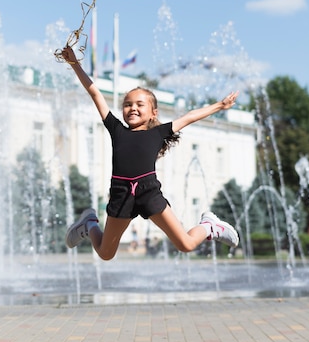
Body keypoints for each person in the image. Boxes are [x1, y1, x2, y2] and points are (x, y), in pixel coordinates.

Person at [62, 45, 239, 261]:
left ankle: (210, 226)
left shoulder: (159, 132)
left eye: (139, 104)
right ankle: (89, 224)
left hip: (148, 192)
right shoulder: (116, 128)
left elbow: (190, 116)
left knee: (186, 244)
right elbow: (95, 92)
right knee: (106, 254)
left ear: (153, 112)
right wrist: (74, 64)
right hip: (120, 193)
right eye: (127, 104)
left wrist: (220, 105)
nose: (132, 108)